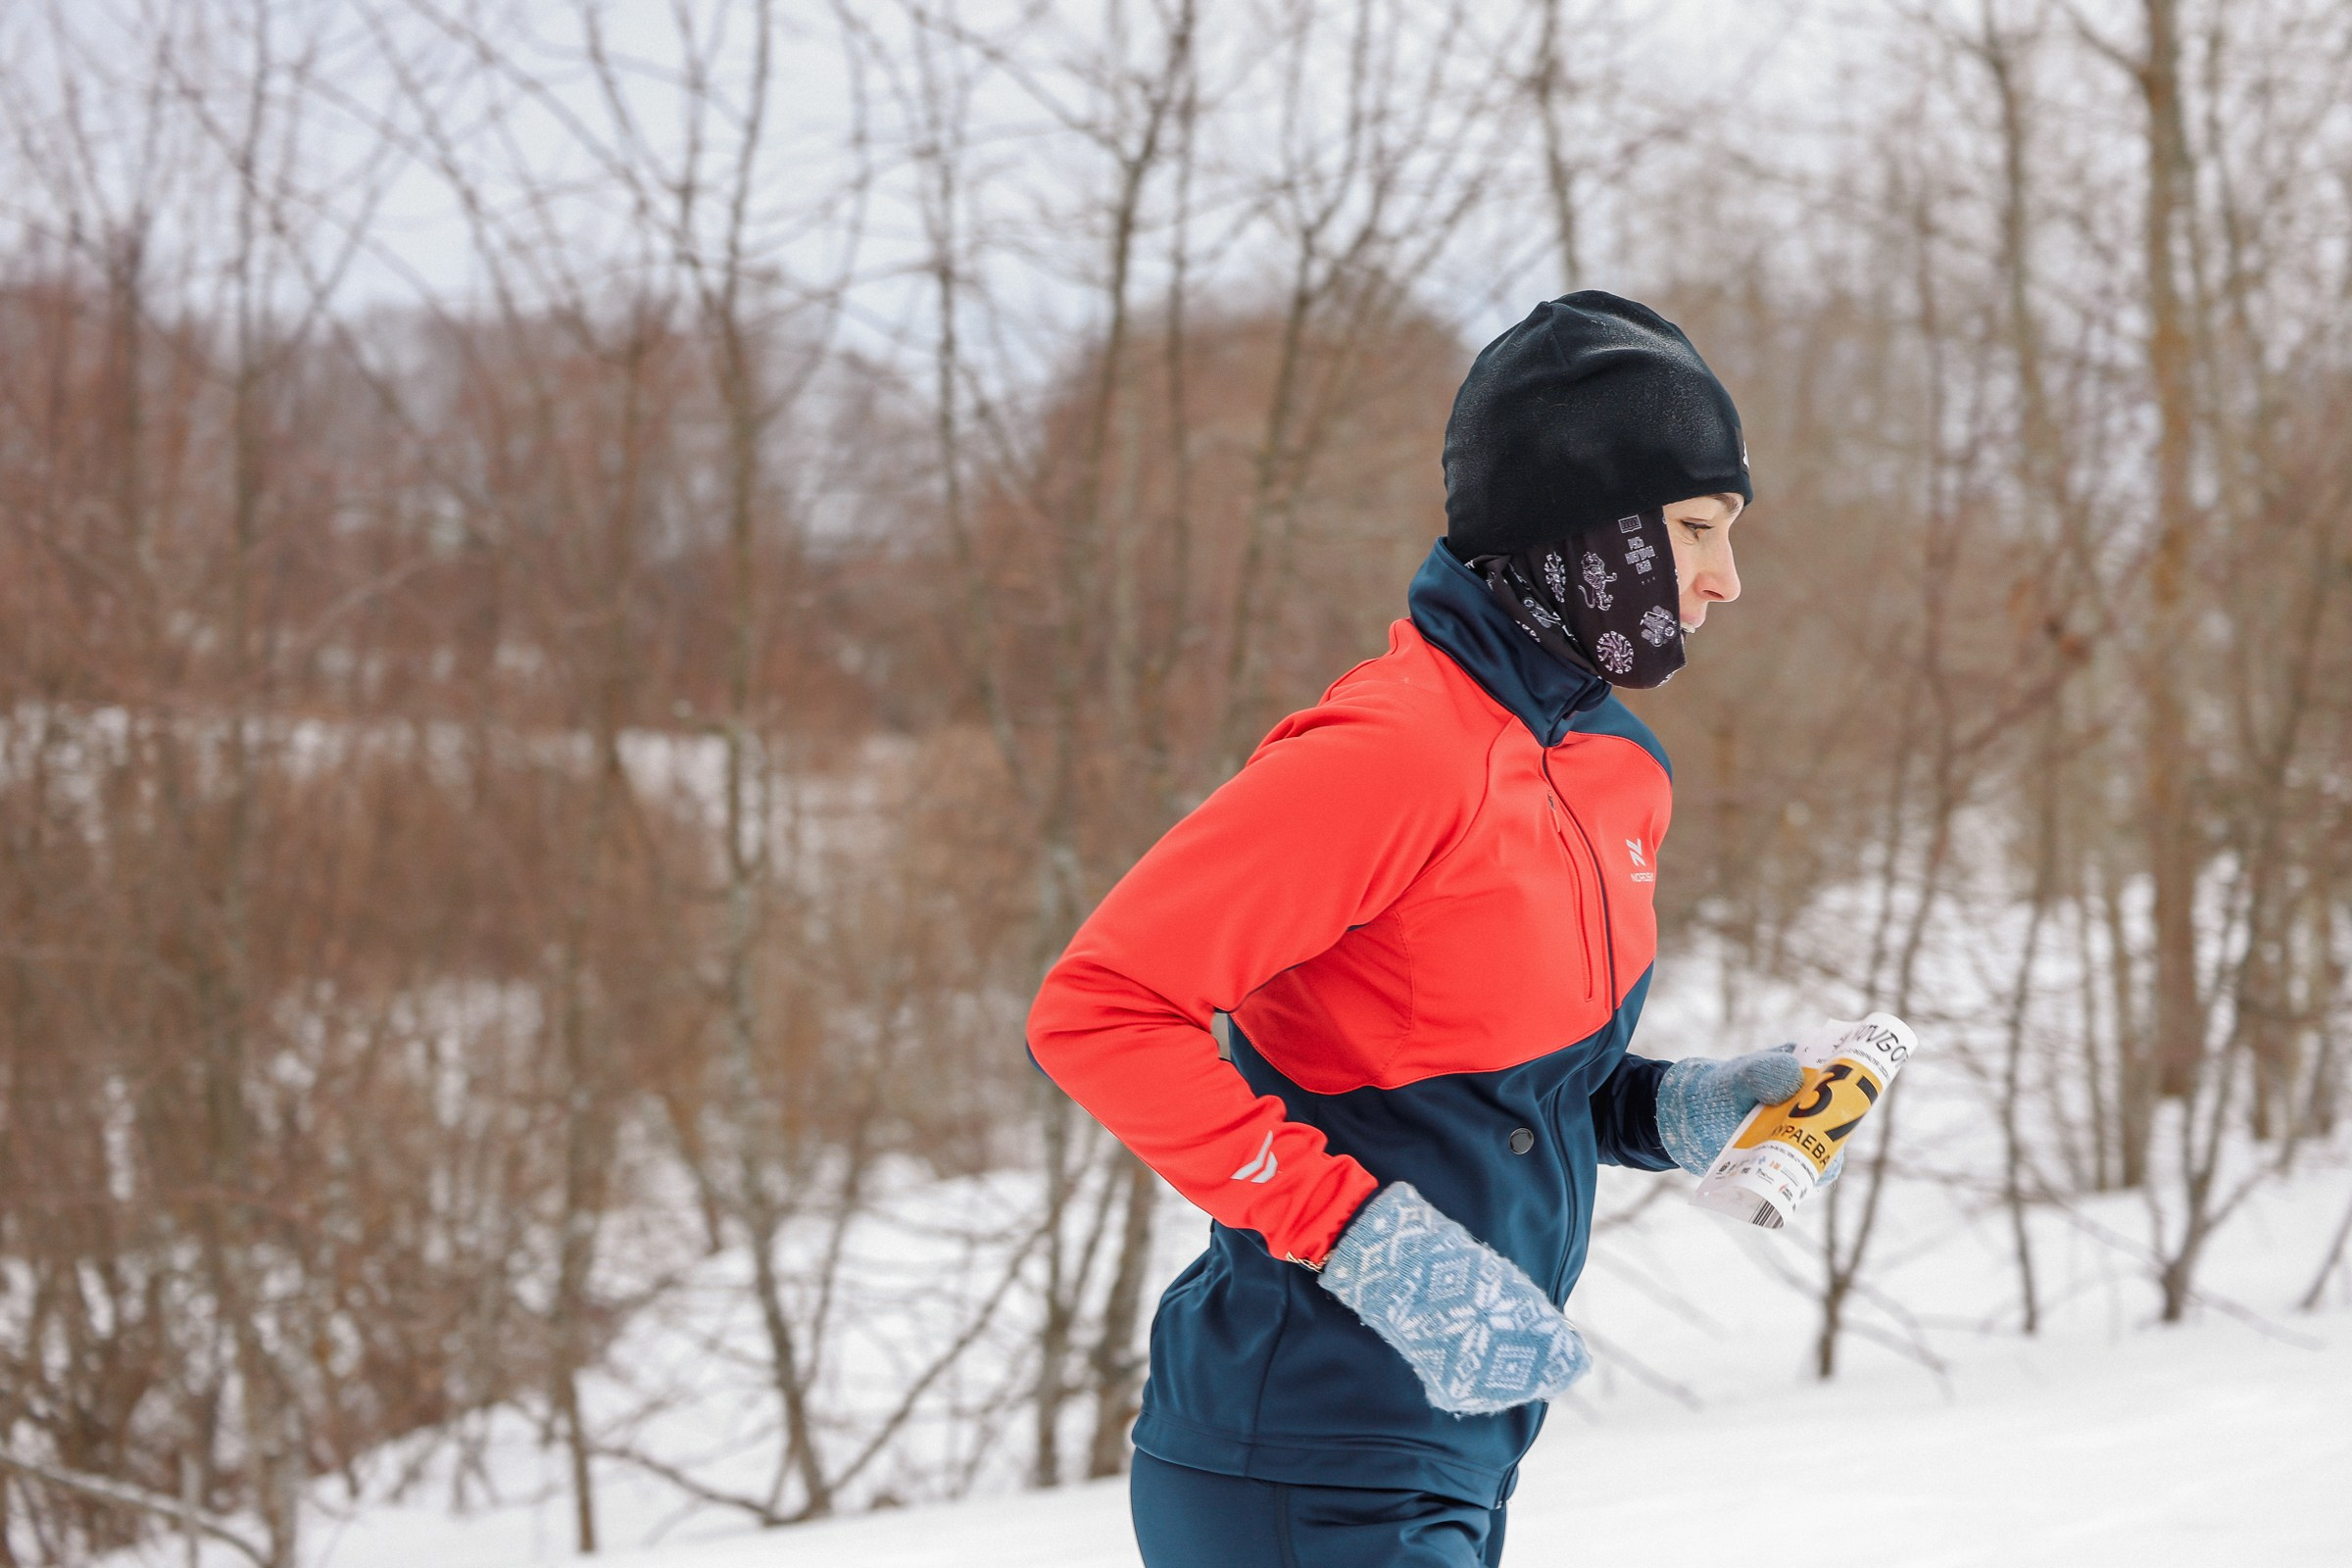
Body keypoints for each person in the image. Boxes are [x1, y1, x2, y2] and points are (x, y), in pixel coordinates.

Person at [1026, 292, 1805, 1568]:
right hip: (1298, 1450)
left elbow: (1488, 1084)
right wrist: (1371, 1247)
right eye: (1695, 529)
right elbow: (1098, 1012)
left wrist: (1671, 1110)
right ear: (1581, 527)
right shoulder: (1390, 753)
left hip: (1464, 1445)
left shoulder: (1616, 771)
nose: (1725, 580)